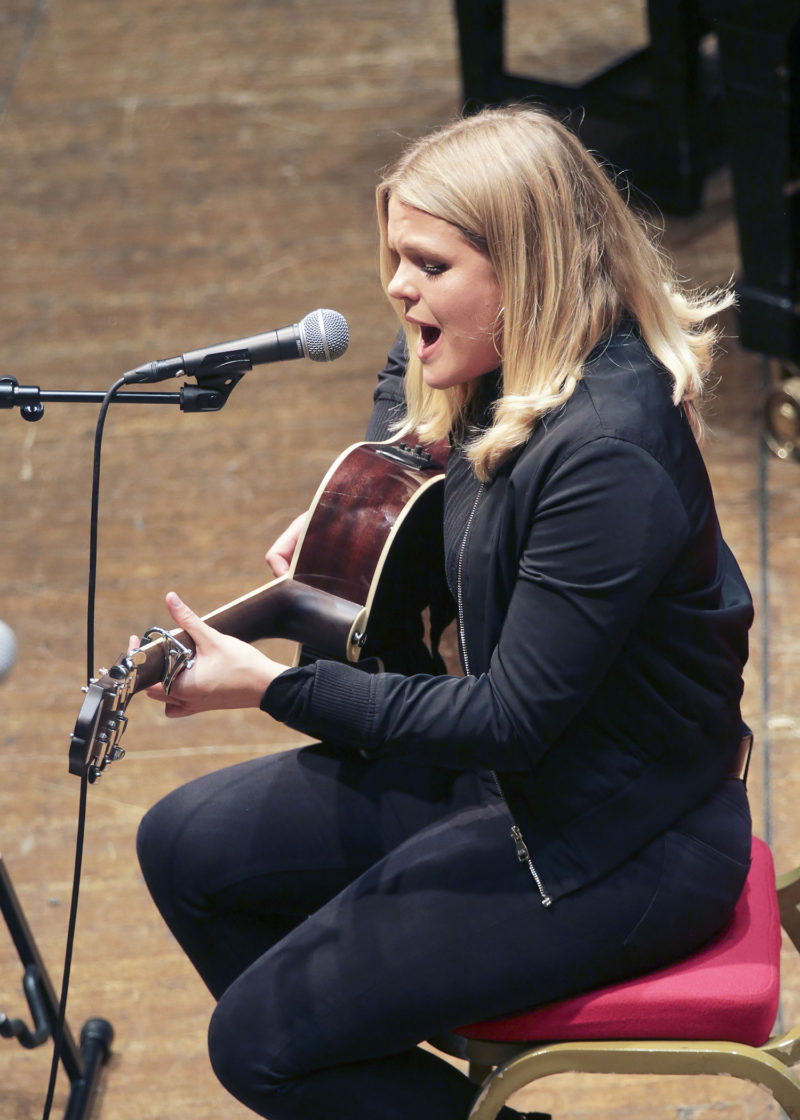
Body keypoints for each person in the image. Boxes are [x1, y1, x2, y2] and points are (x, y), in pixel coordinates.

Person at [135, 105, 754, 1120]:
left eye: (426, 264)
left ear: (523, 268)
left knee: (258, 1045)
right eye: (393, 257)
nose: (395, 288)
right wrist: (366, 494)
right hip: (511, 783)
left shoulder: (604, 452)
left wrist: (279, 687)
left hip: (615, 838)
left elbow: (510, 718)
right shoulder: (496, 350)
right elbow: (397, 371)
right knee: (182, 847)